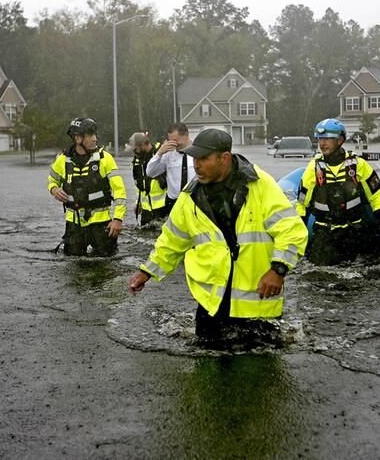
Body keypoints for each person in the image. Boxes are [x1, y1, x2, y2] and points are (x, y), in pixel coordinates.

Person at [128, 129, 308, 344]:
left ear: (225, 158)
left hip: (257, 303)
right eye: (195, 159)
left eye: (204, 159)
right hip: (212, 303)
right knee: (206, 366)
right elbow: (171, 240)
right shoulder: (190, 196)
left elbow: (291, 229)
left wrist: (278, 270)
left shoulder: (260, 185)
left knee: (261, 371)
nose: (196, 165)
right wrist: (146, 271)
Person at [296, 118, 380, 266]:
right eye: (320, 139)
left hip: (354, 231)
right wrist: (298, 232)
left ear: (340, 140)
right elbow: (302, 204)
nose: (322, 143)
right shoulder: (314, 167)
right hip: (325, 232)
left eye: (328, 139)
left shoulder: (358, 164)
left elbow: (375, 198)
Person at [47, 117, 126, 256]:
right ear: (78, 139)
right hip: (74, 225)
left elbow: (119, 190)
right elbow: (51, 180)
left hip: (101, 225)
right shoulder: (63, 160)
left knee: (107, 265)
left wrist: (118, 219)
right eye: (90, 135)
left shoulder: (104, 158)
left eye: (95, 134)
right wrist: (54, 189)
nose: (95, 139)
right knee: (74, 265)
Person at [145, 122, 195, 209]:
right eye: (171, 140)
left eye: (176, 140)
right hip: (173, 203)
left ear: (186, 134)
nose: (174, 143)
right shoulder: (168, 154)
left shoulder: (198, 152)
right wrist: (159, 153)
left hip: (194, 201)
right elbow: (150, 172)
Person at [126, 131, 168, 225]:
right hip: (146, 211)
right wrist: (138, 203)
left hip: (164, 208)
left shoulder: (161, 155)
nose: (134, 151)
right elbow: (139, 185)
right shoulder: (137, 161)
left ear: (142, 145)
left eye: (135, 149)